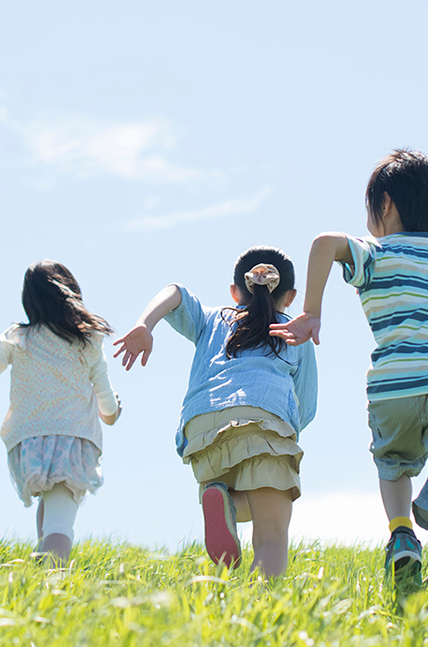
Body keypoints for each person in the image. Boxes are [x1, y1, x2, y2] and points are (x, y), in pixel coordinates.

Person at [272, 149, 428, 616]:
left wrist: (311, 310)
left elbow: (325, 243)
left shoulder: (378, 252)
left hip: (395, 386)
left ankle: (400, 531)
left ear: (385, 205)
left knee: (393, 462)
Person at [113, 247, 317, 577]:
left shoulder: (214, 318)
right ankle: (262, 611)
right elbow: (305, 406)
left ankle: (220, 497)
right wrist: (286, 445)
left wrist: (144, 324)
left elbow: (175, 292)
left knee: (243, 498)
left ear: (235, 292)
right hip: (264, 422)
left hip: (203, 428)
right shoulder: (294, 333)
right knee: (272, 537)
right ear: (290, 297)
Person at [0, 260, 121, 566]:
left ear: (29, 301)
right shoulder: (88, 340)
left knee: (49, 516)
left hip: (31, 445)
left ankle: (41, 577)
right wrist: (113, 412)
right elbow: (107, 406)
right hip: (72, 443)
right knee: (60, 523)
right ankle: (51, 585)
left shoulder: (18, 338)